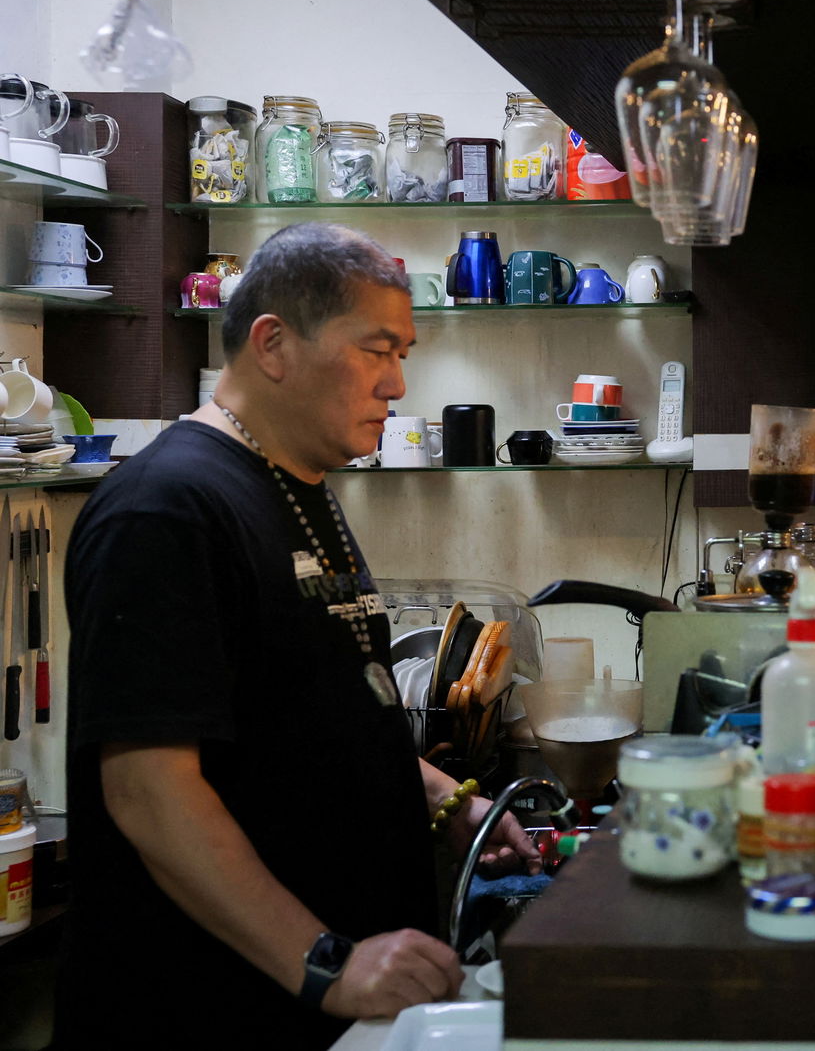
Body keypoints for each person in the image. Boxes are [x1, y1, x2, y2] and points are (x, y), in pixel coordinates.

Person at [58, 222, 539, 1050]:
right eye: (376, 349)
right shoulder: (165, 510)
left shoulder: (298, 483)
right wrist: (326, 965)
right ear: (273, 344)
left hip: (329, 1000)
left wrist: (443, 797)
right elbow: (150, 790)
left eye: (404, 354)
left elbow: (319, 703)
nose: (396, 383)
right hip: (211, 1009)